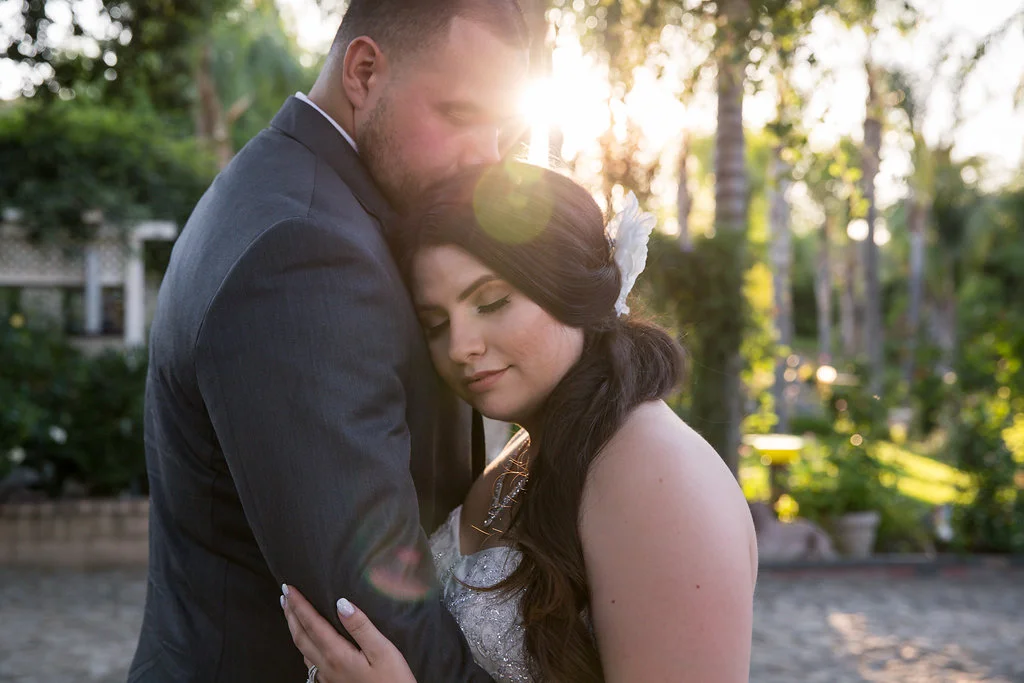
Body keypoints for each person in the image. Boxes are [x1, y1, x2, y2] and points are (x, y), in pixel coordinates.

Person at [127, 2, 529, 681]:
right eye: (462, 116)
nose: (484, 159)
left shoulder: (292, 193)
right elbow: (373, 616)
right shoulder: (304, 248)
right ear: (365, 71)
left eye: (502, 132)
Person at [280, 163, 759, 682]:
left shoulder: (661, 477)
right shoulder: (529, 452)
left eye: (492, 302)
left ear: (571, 289)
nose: (461, 347)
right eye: (435, 324)